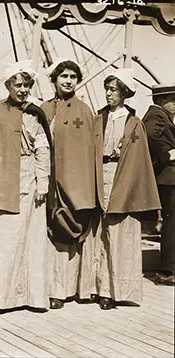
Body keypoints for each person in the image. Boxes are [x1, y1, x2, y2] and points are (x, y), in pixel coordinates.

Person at [0, 61, 51, 311]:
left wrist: (43, 181)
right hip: (3, 176)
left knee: (30, 237)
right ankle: (0, 298)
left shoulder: (36, 112)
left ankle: (31, 297)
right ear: (8, 85)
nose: (22, 89)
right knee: (4, 238)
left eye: (26, 85)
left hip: (28, 175)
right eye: (17, 84)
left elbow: (42, 149)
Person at [94, 69, 161, 309]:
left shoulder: (133, 123)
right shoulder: (98, 117)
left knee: (121, 235)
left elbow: (137, 160)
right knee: (101, 236)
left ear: (124, 93)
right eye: (107, 89)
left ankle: (117, 290)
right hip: (101, 175)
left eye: (114, 90)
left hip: (122, 181)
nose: (109, 94)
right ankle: (100, 288)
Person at [41, 58, 103, 309]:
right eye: (63, 76)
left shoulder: (84, 110)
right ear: (54, 80)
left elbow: (90, 150)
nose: (68, 81)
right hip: (51, 181)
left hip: (77, 183)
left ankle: (80, 289)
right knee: (54, 234)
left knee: (78, 233)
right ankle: (55, 290)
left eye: (72, 77)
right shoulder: (43, 109)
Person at [143, 83, 175, 285]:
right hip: (168, 177)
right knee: (172, 224)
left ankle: (169, 268)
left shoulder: (160, 115)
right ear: (162, 101)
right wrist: (168, 154)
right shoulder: (156, 115)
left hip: (168, 178)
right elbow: (150, 135)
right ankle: (168, 269)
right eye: (173, 100)